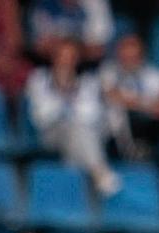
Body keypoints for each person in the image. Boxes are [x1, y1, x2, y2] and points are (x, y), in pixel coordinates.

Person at [26, 38, 119, 196]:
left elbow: (92, 114)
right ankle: (100, 170)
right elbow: (41, 116)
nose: (65, 61)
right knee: (77, 129)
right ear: (53, 57)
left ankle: (78, 179)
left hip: (83, 132)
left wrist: (69, 97)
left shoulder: (88, 82)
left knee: (79, 131)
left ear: (77, 60)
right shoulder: (39, 79)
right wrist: (61, 93)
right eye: (62, 56)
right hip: (51, 133)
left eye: (70, 57)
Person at [100, 31, 159, 157]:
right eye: (125, 56)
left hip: (150, 127)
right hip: (115, 130)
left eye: (134, 57)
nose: (129, 60)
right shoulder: (108, 71)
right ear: (118, 54)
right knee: (121, 113)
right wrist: (148, 104)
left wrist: (133, 102)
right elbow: (113, 96)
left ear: (142, 55)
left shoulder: (155, 75)